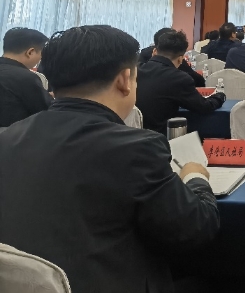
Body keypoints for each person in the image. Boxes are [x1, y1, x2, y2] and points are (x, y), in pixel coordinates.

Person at [0, 25, 219, 293]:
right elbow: (194, 229)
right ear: (125, 80)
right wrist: (196, 177)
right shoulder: (135, 148)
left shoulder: (7, 137)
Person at [136, 31, 226, 135]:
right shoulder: (179, 78)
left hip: (130, 135)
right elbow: (204, 107)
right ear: (180, 59)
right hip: (159, 138)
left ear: (154, 51)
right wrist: (219, 96)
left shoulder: (136, 70)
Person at [0, 28, 52, 128]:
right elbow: (45, 110)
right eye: (41, 54)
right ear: (30, 52)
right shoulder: (26, 78)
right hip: (14, 134)